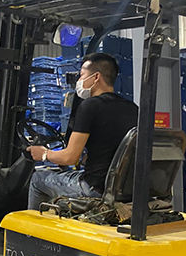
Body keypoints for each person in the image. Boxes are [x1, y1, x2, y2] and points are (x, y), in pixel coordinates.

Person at [26, 52, 138, 210]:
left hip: (94, 189)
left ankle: (35, 226)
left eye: (82, 75)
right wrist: (86, 158)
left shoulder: (89, 106)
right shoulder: (132, 108)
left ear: (96, 77)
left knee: (38, 179)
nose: (79, 81)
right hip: (126, 190)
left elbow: (70, 158)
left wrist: (44, 154)